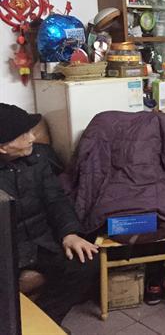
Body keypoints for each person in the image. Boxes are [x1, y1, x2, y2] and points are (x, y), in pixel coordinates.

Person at [0, 103, 99, 324]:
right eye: (24, 135)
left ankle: (45, 322)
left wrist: (70, 233)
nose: (32, 138)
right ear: (3, 148)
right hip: (8, 251)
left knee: (87, 262)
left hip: (42, 242)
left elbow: (56, 200)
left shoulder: (38, 159)